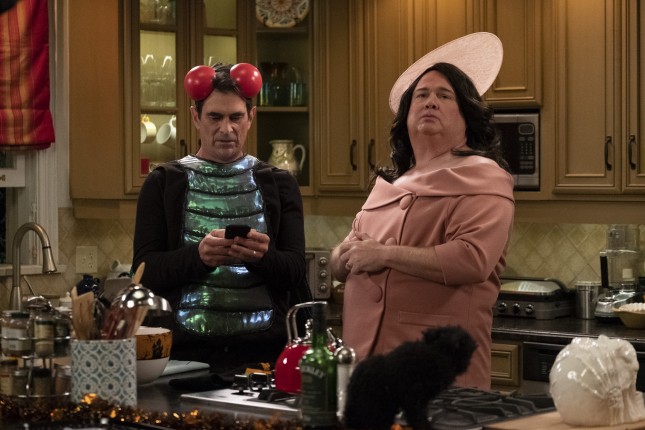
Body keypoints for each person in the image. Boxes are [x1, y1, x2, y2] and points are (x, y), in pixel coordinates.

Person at [330, 33, 515, 390]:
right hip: (367, 366)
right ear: (406, 115)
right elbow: (345, 259)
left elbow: (472, 259)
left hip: (434, 369)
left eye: (444, 96)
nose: (430, 101)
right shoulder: (391, 183)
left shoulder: (484, 176)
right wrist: (342, 255)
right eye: (421, 95)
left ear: (466, 116)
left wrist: (383, 254)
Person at [133, 63, 308, 373]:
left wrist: (263, 257)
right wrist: (198, 256)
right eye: (215, 117)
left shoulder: (280, 184)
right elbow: (143, 274)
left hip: (263, 358)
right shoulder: (163, 183)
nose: (226, 129)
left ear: (251, 117)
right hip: (184, 358)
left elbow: (295, 272)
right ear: (196, 117)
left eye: (235, 117)